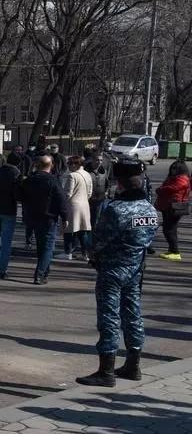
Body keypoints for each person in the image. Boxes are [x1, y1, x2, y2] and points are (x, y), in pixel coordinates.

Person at [76, 160, 159, 388]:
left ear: (120, 184)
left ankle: (106, 371)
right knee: (133, 314)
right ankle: (133, 364)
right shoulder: (150, 209)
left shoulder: (116, 210)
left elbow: (98, 241)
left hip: (112, 270)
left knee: (109, 318)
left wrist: (93, 255)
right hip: (136, 268)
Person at [21, 155, 70, 285]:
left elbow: (20, 195)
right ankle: (40, 273)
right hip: (48, 217)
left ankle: (44, 272)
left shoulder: (30, 179)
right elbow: (61, 199)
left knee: (41, 246)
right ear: (51, 165)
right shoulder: (52, 180)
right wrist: (65, 216)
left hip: (33, 216)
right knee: (48, 247)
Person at [0, 154, 22, 279]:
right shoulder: (16, 174)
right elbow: (17, 194)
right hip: (9, 210)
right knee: (6, 242)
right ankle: (2, 269)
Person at [58, 156, 93, 261]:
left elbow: (68, 193)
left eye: (70, 164)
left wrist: (61, 202)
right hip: (85, 204)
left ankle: (67, 252)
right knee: (83, 230)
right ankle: (85, 254)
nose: (68, 166)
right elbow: (90, 192)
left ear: (75, 164)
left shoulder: (72, 176)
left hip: (73, 205)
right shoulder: (87, 174)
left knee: (68, 229)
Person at [155, 160, 190, 261]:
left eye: (175, 168)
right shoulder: (176, 177)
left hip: (174, 207)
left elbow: (173, 188)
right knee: (171, 229)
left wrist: (161, 189)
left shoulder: (182, 179)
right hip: (170, 206)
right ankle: (171, 250)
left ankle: (175, 252)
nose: (172, 170)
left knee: (168, 230)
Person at [86, 154, 111, 228]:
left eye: (101, 160)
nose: (99, 162)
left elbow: (107, 184)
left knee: (97, 221)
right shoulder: (86, 171)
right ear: (92, 160)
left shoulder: (103, 171)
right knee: (88, 221)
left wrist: (106, 192)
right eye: (97, 160)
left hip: (100, 200)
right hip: (88, 200)